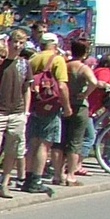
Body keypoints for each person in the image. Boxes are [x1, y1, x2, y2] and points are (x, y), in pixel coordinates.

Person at [22, 32, 70, 193]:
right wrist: (67, 107)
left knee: (32, 143)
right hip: (50, 106)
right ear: (55, 45)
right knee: (44, 144)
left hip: (34, 105)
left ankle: (27, 178)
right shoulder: (57, 60)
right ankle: (37, 179)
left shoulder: (32, 59)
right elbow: (62, 86)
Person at [0, 29, 30, 198]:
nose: (18, 46)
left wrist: (26, 111)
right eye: (15, 42)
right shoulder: (0, 60)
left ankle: (5, 182)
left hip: (17, 111)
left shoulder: (24, 63)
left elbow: (27, 89)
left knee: (13, 149)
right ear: (9, 42)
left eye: (21, 43)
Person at [61, 38, 96, 186]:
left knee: (62, 140)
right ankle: (71, 175)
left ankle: (59, 173)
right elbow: (93, 82)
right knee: (75, 142)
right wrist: (86, 93)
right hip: (80, 105)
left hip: (64, 103)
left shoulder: (65, 65)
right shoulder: (83, 68)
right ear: (85, 52)